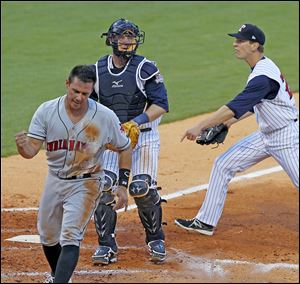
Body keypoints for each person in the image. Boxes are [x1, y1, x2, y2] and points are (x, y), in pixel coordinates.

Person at [175, 23, 299, 236]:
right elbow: (253, 105)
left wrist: (199, 125)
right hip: (266, 135)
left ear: (254, 45)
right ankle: (205, 222)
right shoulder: (262, 68)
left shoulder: (263, 76)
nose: (235, 44)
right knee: (223, 164)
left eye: (240, 41)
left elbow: (233, 106)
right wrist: (227, 124)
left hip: (286, 136)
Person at [15, 65, 132, 283]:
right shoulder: (47, 111)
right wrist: (23, 147)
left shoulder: (104, 117)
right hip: (55, 179)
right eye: (75, 91)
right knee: (48, 235)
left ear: (91, 91)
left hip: (87, 182)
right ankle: (57, 276)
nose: (79, 97)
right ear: (67, 84)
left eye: (85, 93)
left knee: (70, 236)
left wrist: (123, 184)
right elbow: (31, 151)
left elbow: (124, 147)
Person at [89, 18, 169, 264]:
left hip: (142, 136)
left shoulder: (146, 69)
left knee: (140, 188)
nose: (127, 44)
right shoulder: (97, 70)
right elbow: (89, 105)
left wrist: (136, 121)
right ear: (111, 40)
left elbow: (161, 105)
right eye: (122, 40)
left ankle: (155, 238)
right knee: (104, 187)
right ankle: (106, 245)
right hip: (112, 140)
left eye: (131, 40)